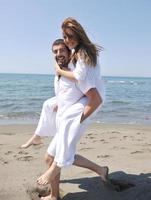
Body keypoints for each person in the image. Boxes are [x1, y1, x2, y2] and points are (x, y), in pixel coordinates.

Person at [37, 18, 108, 200]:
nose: (67, 40)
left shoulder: (82, 54)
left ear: (77, 34)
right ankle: (101, 170)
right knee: (54, 154)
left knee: (67, 126)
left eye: (69, 37)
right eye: (64, 37)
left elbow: (84, 83)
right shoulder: (79, 52)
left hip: (92, 99)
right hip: (88, 98)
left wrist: (60, 72)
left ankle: (53, 175)